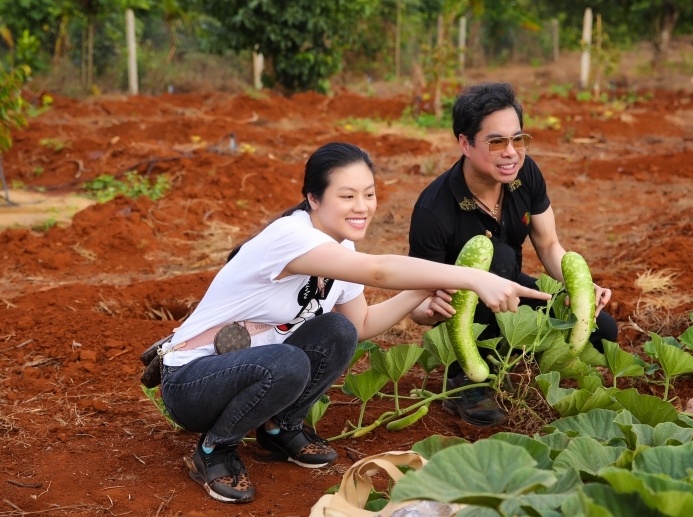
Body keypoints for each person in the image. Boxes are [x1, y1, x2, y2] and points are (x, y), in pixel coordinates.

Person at [158, 142, 549, 504]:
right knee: (289, 363)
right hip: (191, 384)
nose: (361, 206)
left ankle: (280, 428)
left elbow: (361, 324)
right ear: (313, 198)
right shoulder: (291, 237)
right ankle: (215, 450)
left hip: (250, 370)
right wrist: (473, 277)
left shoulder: (341, 247)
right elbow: (378, 270)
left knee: (338, 331)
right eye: (347, 196)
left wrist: (422, 292)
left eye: (369, 194)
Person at [408, 82, 619, 427]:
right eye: (496, 142)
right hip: (461, 316)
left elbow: (549, 244)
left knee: (602, 330)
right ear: (465, 143)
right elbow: (416, 297)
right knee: (500, 258)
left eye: (517, 139)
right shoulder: (434, 210)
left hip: (509, 292)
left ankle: (512, 354)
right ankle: (465, 377)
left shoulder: (526, 174)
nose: (511, 152)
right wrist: (427, 311)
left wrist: (578, 289)